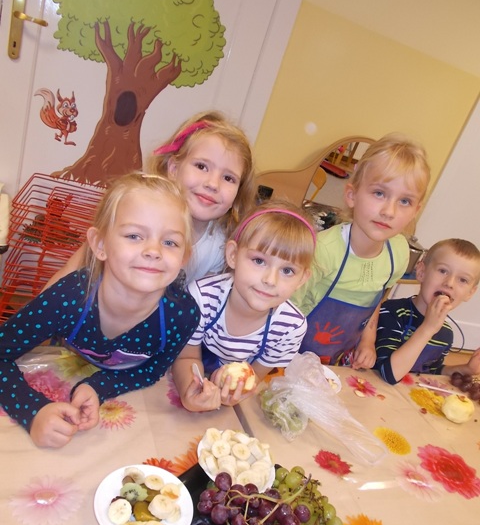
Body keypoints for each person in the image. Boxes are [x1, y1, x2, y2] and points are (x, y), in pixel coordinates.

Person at [0, 174, 200, 448]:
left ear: (184, 257)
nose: (154, 250)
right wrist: (33, 411)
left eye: (170, 242)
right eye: (134, 236)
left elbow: (151, 371)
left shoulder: (183, 316)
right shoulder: (68, 298)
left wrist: (97, 386)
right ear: (100, 245)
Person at [42, 110, 256, 288]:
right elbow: (70, 272)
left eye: (228, 178)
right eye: (201, 166)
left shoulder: (220, 248)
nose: (213, 184)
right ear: (174, 169)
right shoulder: (133, 212)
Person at [291, 133, 431, 369]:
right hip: (291, 351)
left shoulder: (398, 253)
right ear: (352, 195)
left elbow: (376, 300)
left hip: (338, 358)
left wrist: (368, 341)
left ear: (416, 210)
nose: (389, 211)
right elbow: (286, 310)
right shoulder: (323, 250)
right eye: (379, 193)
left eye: (404, 201)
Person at [171, 202, 316, 412]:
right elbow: (186, 357)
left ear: (302, 279)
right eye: (259, 261)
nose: (270, 280)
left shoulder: (291, 327)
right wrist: (189, 393)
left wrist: (235, 393)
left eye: (287, 271)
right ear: (233, 255)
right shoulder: (202, 298)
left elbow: (255, 375)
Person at [374, 238, 480, 384]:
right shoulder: (392, 312)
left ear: (470, 293)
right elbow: (387, 374)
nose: (449, 283)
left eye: (462, 280)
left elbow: (430, 371)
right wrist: (428, 328)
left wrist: (467, 369)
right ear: (421, 272)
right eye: (443, 271)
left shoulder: (446, 334)